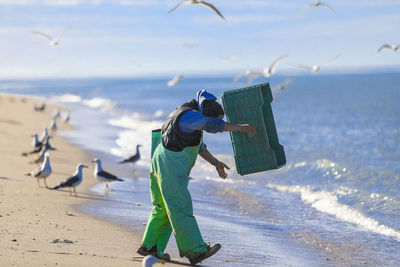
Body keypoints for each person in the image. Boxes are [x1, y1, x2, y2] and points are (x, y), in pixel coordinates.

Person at [137, 90, 256, 265]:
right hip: (169, 166)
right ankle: (196, 251)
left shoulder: (190, 115)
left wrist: (215, 163)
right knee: (180, 206)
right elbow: (210, 124)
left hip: (160, 162)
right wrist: (240, 128)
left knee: (163, 207)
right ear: (203, 109)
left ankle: (151, 247)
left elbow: (198, 146)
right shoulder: (190, 115)